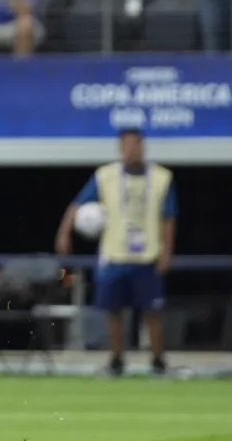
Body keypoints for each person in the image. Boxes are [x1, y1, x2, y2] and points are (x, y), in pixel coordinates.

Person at [54, 128, 176, 377]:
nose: (132, 149)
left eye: (136, 144)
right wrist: (64, 232)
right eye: (127, 145)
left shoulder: (162, 177)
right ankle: (117, 361)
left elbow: (169, 217)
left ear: (143, 147)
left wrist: (166, 251)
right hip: (114, 255)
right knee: (113, 312)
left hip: (147, 255)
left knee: (153, 312)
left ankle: (157, 361)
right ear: (120, 149)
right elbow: (77, 204)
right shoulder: (105, 176)